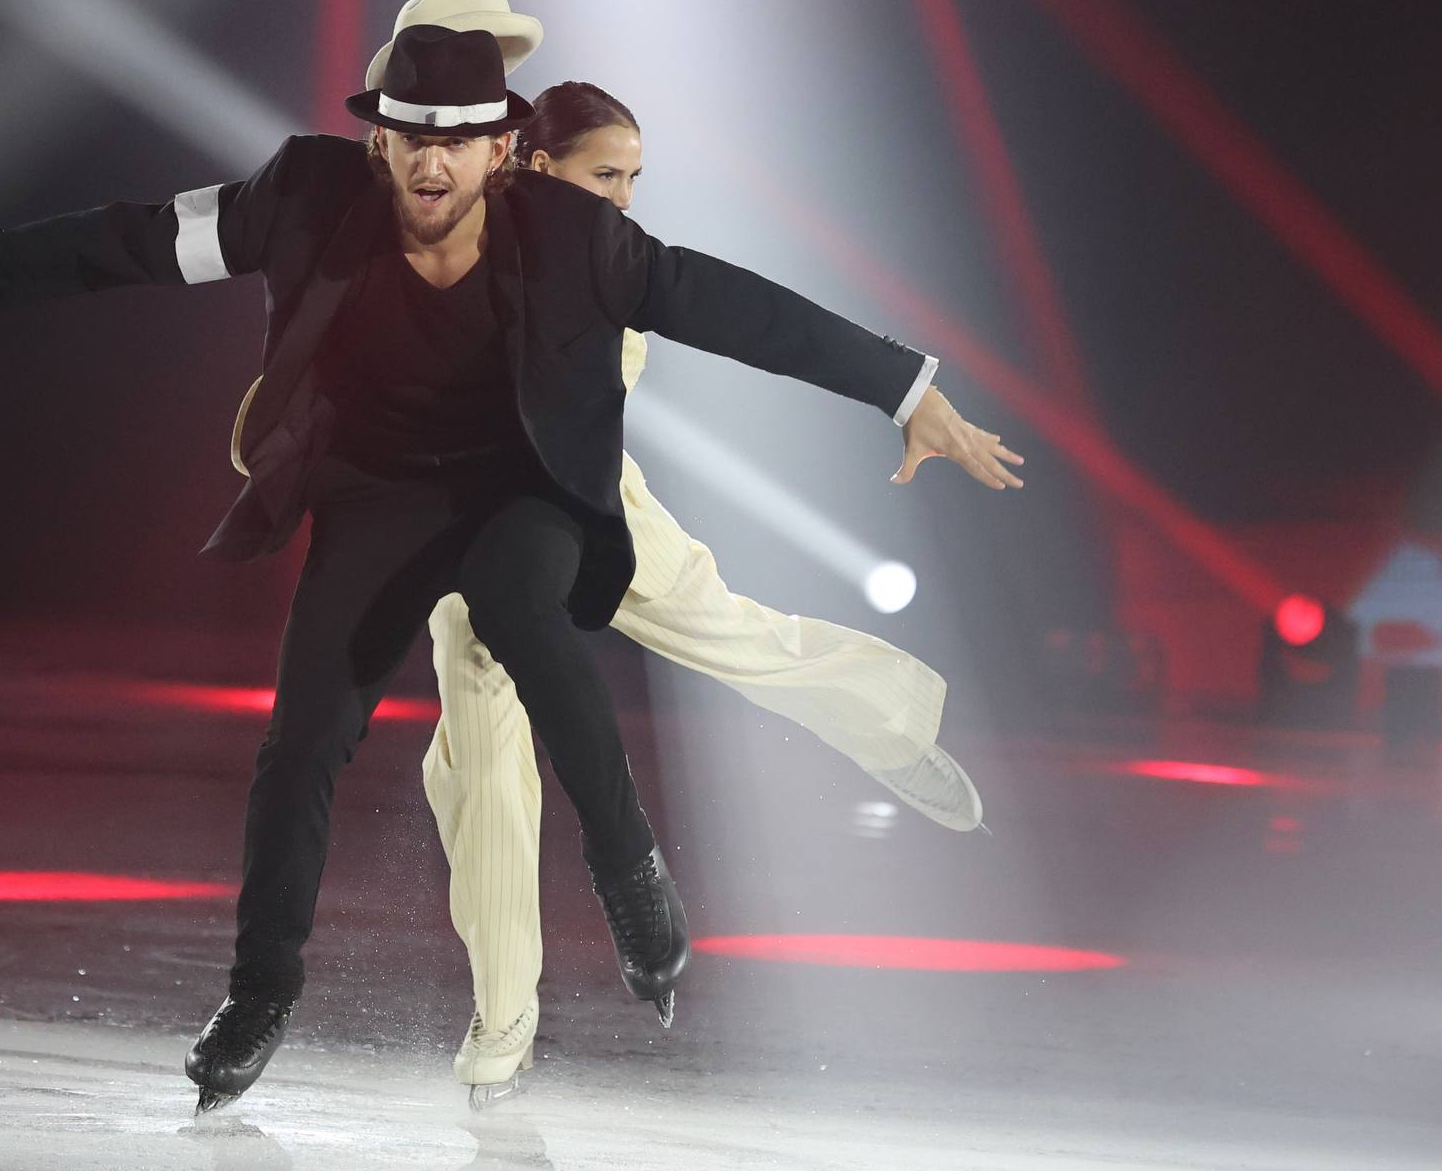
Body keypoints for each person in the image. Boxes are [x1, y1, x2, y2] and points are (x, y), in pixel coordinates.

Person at [0, 0, 1019, 1116]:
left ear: (499, 150)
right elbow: (142, 238)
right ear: (378, 140)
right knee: (306, 740)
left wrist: (903, 388)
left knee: (542, 614)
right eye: (411, 137)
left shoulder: (571, 232)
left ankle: (631, 872)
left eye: (458, 140)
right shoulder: (306, 196)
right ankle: (266, 993)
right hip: (380, 501)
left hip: (530, 489)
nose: (432, 162)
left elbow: (728, 304)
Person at [420, 76, 1009, 1106]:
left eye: (633, 179)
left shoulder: (607, 253)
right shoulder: (445, 235)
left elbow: (749, 313)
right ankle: (503, 1012)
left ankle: (886, 726)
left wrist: (903, 389)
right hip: (469, 530)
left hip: (595, 502)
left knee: (731, 631)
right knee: (477, 747)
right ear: (538, 166)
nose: (623, 197)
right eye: (605, 175)